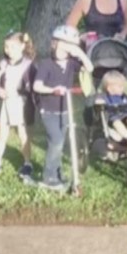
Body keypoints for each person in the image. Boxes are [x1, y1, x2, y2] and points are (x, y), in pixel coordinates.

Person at [31, 25, 93, 192]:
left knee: (59, 142)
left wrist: (79, 53)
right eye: (60, 44)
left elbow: (90, 68)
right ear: (54, 44)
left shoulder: (72, 64)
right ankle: (49, 177)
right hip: (49, 111)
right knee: (57, 141)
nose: (62, 49)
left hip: (65, 110)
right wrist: (52, 90)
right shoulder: (46, 64)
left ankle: (57, 174)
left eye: (68, 45)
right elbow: (37, 86)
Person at [0, 31, 36, 181]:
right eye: (6, 47)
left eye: (12, 47)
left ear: (22, 46)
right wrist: (1, 90)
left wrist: (17, 91)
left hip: (21, 105)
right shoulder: (4, 64)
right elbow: (1, 81)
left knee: (23, 135)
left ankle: (27, 163)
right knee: (2, 134)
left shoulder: (28, 66)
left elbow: (32, 87)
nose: (8, 50)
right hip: (6, 104)